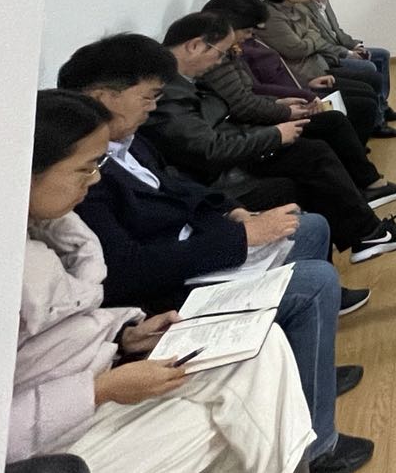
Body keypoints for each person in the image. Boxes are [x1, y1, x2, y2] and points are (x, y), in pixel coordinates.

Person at [57, 39, 374, 473]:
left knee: (310, 226)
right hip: (169, 290)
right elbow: (128, 270)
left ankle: (308, 370)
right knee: (314, 282)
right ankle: (318, 448)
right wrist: (240, 239)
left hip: (197, 246)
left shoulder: (128, 142)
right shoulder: (81, 176)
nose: (153, 106)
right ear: (102, 97)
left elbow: (173, 185)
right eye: (147, 96)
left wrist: (231, 211)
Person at [12, 89, 315, 472]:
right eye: (85, 169)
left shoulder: (51, 229)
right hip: (55, 434)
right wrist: (100, 390)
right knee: (237, 421)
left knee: (260, 348)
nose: (96, 178)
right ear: (26, 170)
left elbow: (57, 336)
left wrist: (125, 335)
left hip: (96, 376)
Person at [144, 15, 396, 262]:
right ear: (194, 46)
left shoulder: (183, 82)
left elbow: (227, 116)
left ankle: (367, 233)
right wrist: (273, 134)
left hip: (235, 150)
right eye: (220, 53)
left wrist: (276, 113)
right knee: (309, 162)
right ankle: (364, 235)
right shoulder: (168, 94)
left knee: (314, 150)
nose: (222, 60)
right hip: (220, 173)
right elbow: (209, 147)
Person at [203, 0, 382, 141]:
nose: (251, 34)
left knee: (364, 93)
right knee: (350, 109)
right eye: (248, 30)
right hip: (284, 100)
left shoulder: (300, 10)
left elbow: (317, 35)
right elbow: (296, 50)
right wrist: (289, 105)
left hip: (296, 89)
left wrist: (304, 86)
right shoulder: (229, 55)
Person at [262, 0, 396, 138]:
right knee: (367, 85)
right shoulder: (273, 18)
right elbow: (297, 49)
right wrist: (322, 44)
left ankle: (378, 116)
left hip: (318, 66)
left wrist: (347, 45)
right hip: (307, 75)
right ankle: (365, 132)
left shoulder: (296, 7)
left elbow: (318, 33)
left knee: (372, 79)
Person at [301, 0, 396, 123]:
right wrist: (347, 53)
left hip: (338, 49)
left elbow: (337, 32)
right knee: (368, 66)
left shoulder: (324, 1)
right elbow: (319, 43)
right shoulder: (303, 7)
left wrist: (355, 45)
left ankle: (382, 106)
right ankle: (377, 119)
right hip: (327, 57)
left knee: (382, 54)